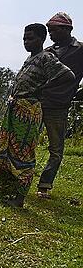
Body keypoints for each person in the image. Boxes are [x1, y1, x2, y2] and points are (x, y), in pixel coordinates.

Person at [0, 23, 76, 207]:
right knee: (5, 150)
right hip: (16, 108)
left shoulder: (46, 57)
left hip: (29, 110)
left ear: (42, 39)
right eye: (24, 39)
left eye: (31, 38)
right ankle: (6, 190)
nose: (26, 42)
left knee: (23, 153)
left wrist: (43, 89)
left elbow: (68, 76)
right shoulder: (30, 59)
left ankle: (19, 198)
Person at [37, 12, 83, 198]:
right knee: (26, 142)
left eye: (53, 30)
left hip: (59, 106)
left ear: (66, 29)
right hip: (38, 103)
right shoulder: (48, 52)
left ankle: (44, 185)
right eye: (48, 31)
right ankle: (21, 178)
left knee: (56, 150)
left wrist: (77, 92)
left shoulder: (80, 50)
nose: (50, 34)